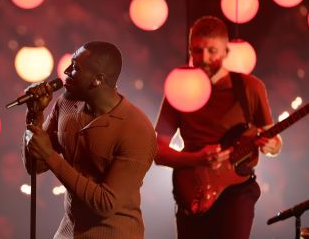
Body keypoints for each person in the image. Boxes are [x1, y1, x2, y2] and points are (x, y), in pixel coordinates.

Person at [154, 16, 282, 239]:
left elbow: (274, 143)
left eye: (212, 51)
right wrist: (197, 160)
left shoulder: (250, 87)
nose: (204, 58)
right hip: (193, 190)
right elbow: (158, 151)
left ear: (226, 52)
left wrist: (271, 145)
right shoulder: (179, 87)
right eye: (197, 50)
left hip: (237, 190)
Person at [23, 41, 157, 239]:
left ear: (98, 79)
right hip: (68, 232)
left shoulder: (136, 130)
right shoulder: (67, 103)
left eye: (75, 67)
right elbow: (35, 166)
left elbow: (105, 203)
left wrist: (51, 156)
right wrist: (35, 114)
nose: (66, 71)